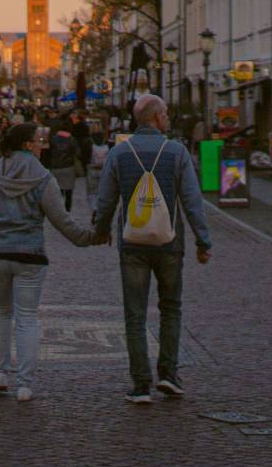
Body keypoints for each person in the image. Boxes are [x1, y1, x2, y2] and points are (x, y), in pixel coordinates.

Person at [0, 122, 96, 402]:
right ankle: (24, 384)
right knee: (27, 317)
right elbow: (61, 220)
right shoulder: (43, 177)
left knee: (0, 312)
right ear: (26, 144)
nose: (41, 144)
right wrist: (89, 238)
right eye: (37, 140)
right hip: (30, 255)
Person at [91, 94, 213, 405]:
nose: (169, 118)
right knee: (170, 307)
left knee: (135, 313)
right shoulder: (176, 152)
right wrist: (203, 240)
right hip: (170, 243)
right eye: (167, 114)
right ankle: (169, 375)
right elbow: (192, 201)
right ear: (157, 117)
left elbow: (105, 200)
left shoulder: (120, 153)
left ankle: (141, 384)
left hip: (132, 243)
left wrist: (102, 229)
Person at [46, 116, 81, 211]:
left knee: (58, 192)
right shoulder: (72, 139)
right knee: (69, 193)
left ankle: (59, 211)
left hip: (55, 167)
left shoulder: (53, 139)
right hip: (68, 168)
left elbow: (48, 153)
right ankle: (67, 211)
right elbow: (78, 153)